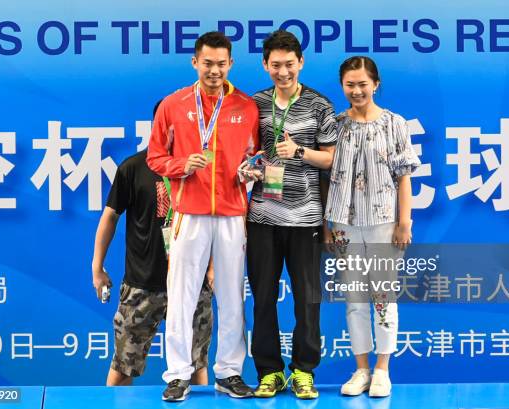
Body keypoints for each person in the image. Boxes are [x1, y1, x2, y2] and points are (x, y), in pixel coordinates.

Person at [147, 31, 259, 401]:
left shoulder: (246, 106)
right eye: (207, 63)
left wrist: (250, 171)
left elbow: (253, 156)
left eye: (221, 63)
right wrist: (181, 165)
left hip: (231, 213)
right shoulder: (173, 105)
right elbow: (154, 158)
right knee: (181, 295)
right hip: (189, 213)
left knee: (231, 297)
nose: (214, 70)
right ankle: (178, 374)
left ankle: (228, 372)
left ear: (231, 65)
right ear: (195, 62)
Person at [246, 30, 337, 400]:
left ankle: (303, 370)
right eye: (275, 65)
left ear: (301, 62)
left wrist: (299, 152)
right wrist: (248, 168)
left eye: (289, 64)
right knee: (263, 298)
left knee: (307, 299)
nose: (283, 72)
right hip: (262, 217)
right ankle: (269, 372)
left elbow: (330, 159)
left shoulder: (319, 105)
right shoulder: (254, 104)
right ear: (265, 65)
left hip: (306, 219)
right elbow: (247, 153)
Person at [324, 56, 420, 398]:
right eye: (350, 85)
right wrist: (327, 223)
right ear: (343, 87)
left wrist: (403, 221)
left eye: (363, 84)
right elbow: (326, 176)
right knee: (354, 299)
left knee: (383, 296)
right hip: (344, 223)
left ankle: (382, 369)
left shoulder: (395, 124)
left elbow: (405, 176)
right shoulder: (335, 125)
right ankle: (361, 368)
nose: (357, 90)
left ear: (375, 84)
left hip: (383, 222)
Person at [91, 140, 214, 387]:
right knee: (123, 367)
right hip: (141, 285)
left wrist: (211, 268)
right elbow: (110, 216)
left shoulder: (201, 167)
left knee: (195, 366)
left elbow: (213, 221)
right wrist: (97, 267)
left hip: (191, 285)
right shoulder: (133, 167)